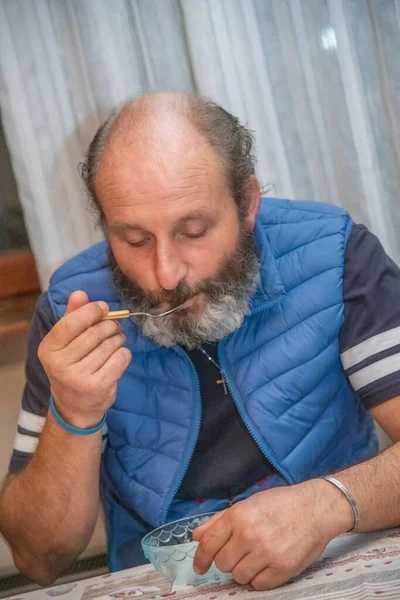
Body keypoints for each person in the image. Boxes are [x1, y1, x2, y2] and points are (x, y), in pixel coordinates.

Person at [1, 92, 400, 591]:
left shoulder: (335, 256)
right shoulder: (71, 309)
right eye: (135, 240)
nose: (166, 275)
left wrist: (330, 502)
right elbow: (39, 558)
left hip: (334, 559)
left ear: (248, 203)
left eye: (193, 231)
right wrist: (73, 413)